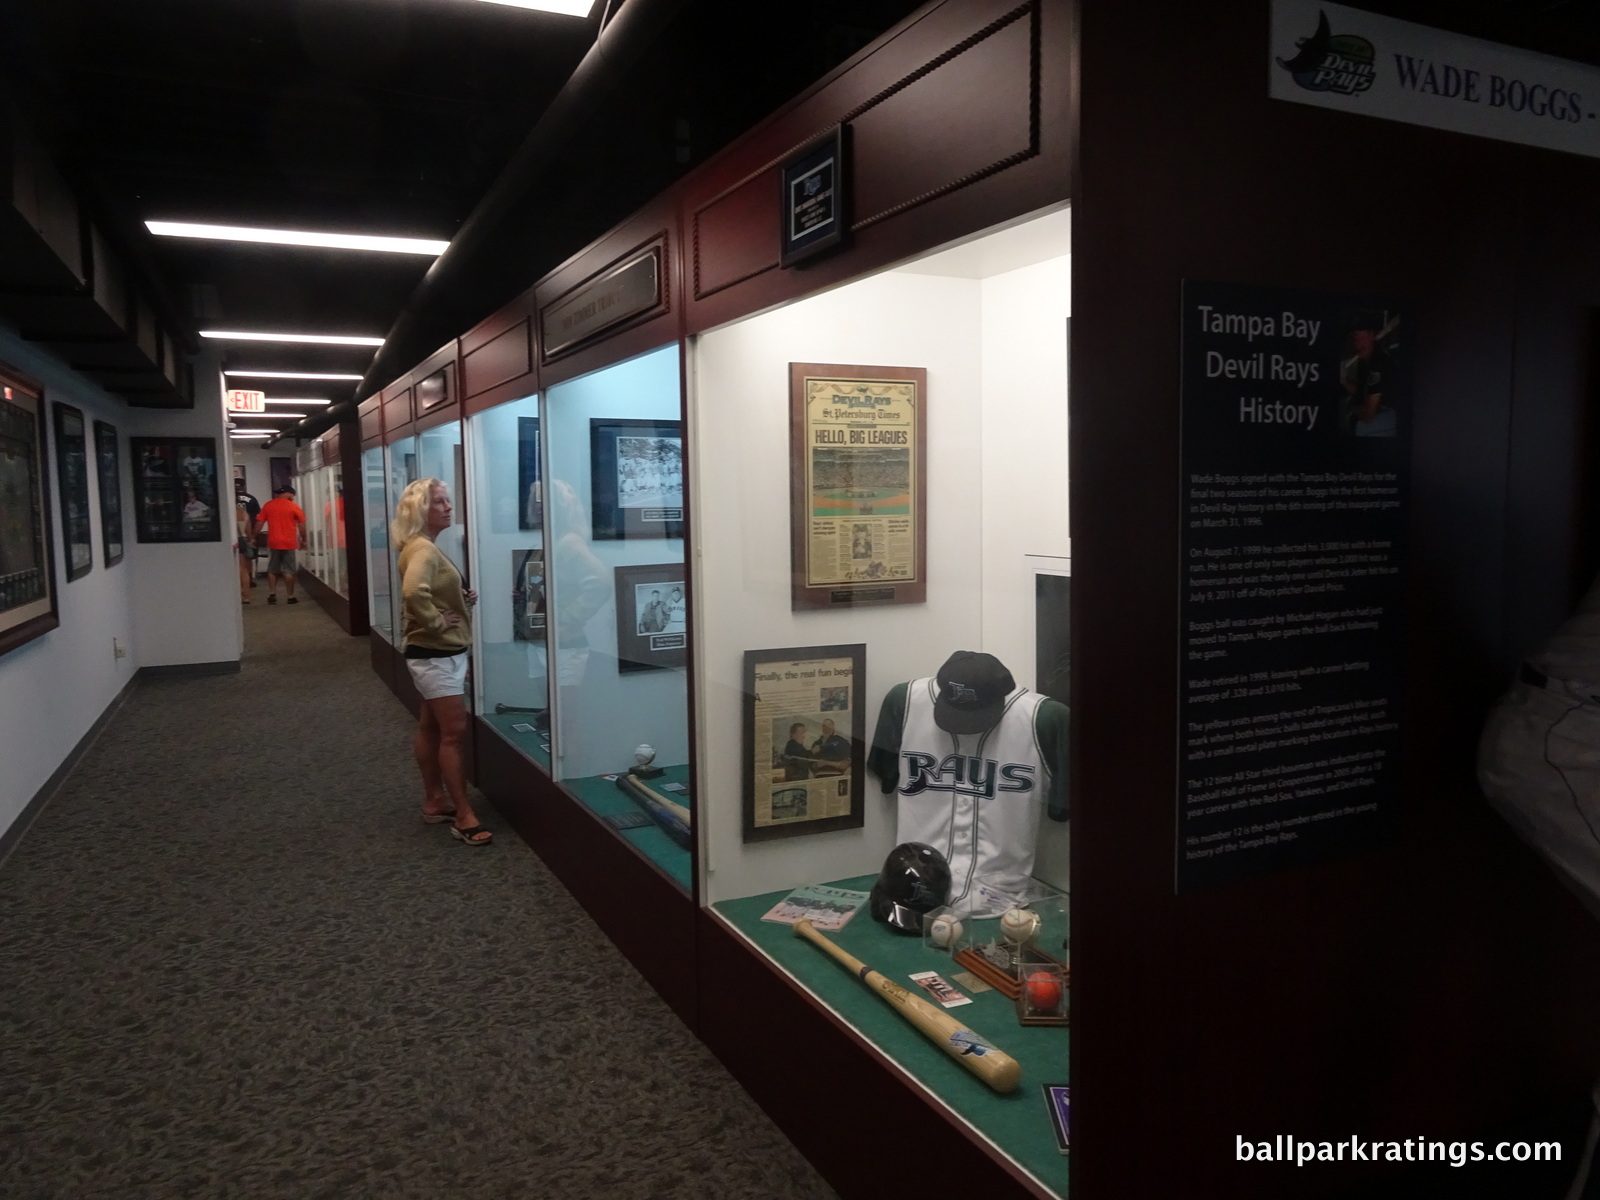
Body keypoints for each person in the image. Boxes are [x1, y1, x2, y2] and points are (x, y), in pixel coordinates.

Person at [394, 477, 490, 846]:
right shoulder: (424, 549)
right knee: (454, 733)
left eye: (448, 501)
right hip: (436, 655)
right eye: (439, 502)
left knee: (431, 727)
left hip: (434, 653)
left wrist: (460, 600)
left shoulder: (421, 545)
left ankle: (435, 801)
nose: (448, 507)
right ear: (420, 510)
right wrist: (436, 621)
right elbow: (413, 592)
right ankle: (464, 814)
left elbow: (428, 591)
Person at [256, 486, 306, 604]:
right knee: (289, 570)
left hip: (273, 542)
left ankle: (272, 594)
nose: (293, 498)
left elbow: (259, 523)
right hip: (289, 543)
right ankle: (290, 596)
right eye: (293, 495)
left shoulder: (269, 505)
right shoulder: (294, 507)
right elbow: (302, 526)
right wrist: (304, 540)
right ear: (289, 494)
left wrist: (253, 536)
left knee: (273, 569)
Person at [234, 478, 261, 597]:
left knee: (238, 566)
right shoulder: (251, 499)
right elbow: (258, 516)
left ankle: (240, 587)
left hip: (235, 537)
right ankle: (249, 580)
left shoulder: (230, 501)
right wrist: (253, 536)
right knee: (248, 560)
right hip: (248, 532)